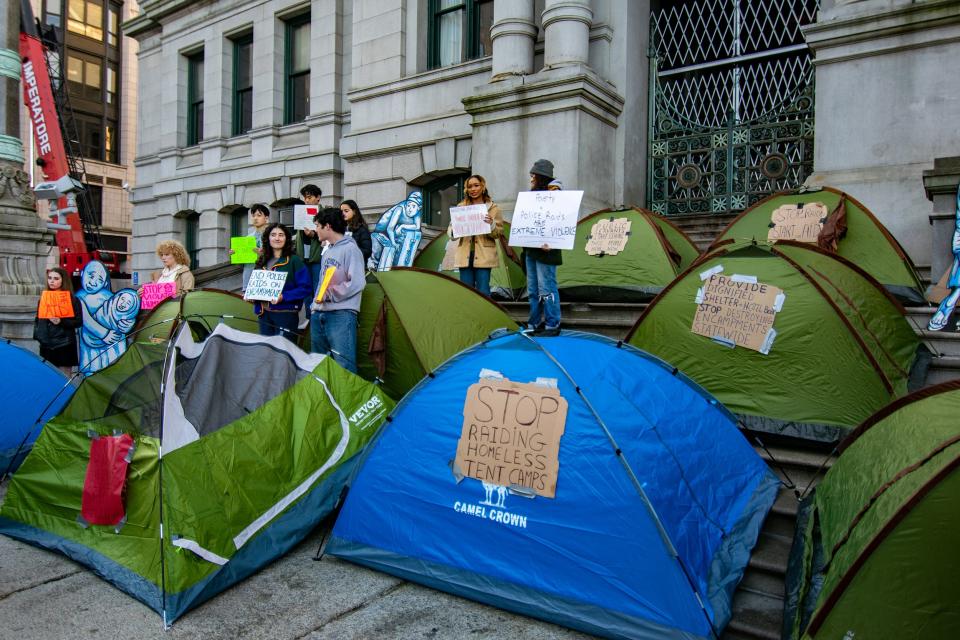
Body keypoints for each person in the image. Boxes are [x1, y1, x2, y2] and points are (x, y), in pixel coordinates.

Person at [310, 207, 366, 373]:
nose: (316, 230)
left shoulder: (351, 249)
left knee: (344, 366)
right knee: (319, 365)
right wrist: (314, 305)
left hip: (341, 315)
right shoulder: (327, 251)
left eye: (318, 225)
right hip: (319, 313)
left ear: (327, 226)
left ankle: (346, 399)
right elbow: (322, 282)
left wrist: (331, 294)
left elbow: (357, 282)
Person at [252, 223, 313, 339]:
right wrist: (251, 294)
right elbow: (256, 285)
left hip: (285, 314)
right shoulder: (262, 260)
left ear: (287, 238)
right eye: (273, 235)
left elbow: (306, 288)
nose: (277, 238)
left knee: (285, 352)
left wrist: (283, 296)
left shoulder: (294, 260)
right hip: (264, 314)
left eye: (281, 235)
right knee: (267, 352)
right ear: (267, 238)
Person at [523, 159, 563, 336]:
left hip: (547, 249)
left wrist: (552, 241)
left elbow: (559, 217)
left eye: (534, 175)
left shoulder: (555, 192)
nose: (531, 178)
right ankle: (534, 322)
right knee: (532, 289)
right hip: (531, 247)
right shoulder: (534, 194)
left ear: (541, 176)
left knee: (546, 288)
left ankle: (552, 323)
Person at [448, 175, 503, 296]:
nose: (473, 189)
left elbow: (498, 233)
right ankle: (468, 315)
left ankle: (485, 315)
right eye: (469, 186)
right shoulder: (461, 207)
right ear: (466, 189)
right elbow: (451, 231)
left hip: (484, 255)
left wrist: (492, 224)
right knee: (466, 291)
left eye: (476, 185)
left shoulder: (493, 208)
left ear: (483, 186)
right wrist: (454, 230)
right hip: (464, 255)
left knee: (483, 290)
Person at [34, 267, 82, 376]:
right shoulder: (42, 299)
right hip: (46, 344)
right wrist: (39, 335)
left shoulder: (73, 300)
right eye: (50, 278)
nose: (51, 281)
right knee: (46, 376)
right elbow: (38, 319)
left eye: (56, 278)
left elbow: (79, 321)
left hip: (65, 343)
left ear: (63, 280)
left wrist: (61, 321)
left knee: (64, 378)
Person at [230, 203, 270, 291]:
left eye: (259, 215)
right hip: (249, 279)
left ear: (266, 218)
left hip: (265, 280)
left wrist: (262, 254)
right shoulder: (248, 238)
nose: (255, 218)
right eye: (253, 215)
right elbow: (241, 264)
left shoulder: (272, 236)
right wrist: (235, 255)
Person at [295, 184, 325, 291]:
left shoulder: (325, 214)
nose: (306, 201)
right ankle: (308, 308)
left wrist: (314, 235)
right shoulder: (301, 213)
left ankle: (316, 308)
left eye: (309, 197)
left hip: (317, 258)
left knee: (318, 286)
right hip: (303, 257)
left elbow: (329, 236)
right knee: (305, 287)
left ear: (318, 197)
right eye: (305, 198)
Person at [340, 199, 373, 265]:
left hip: (357, 266)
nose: (343, 213)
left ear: (354, 212)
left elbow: (367, 251)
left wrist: (352, 250)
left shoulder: (362, 229)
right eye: (341, 211)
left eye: (346, 211)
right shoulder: (341, 228)